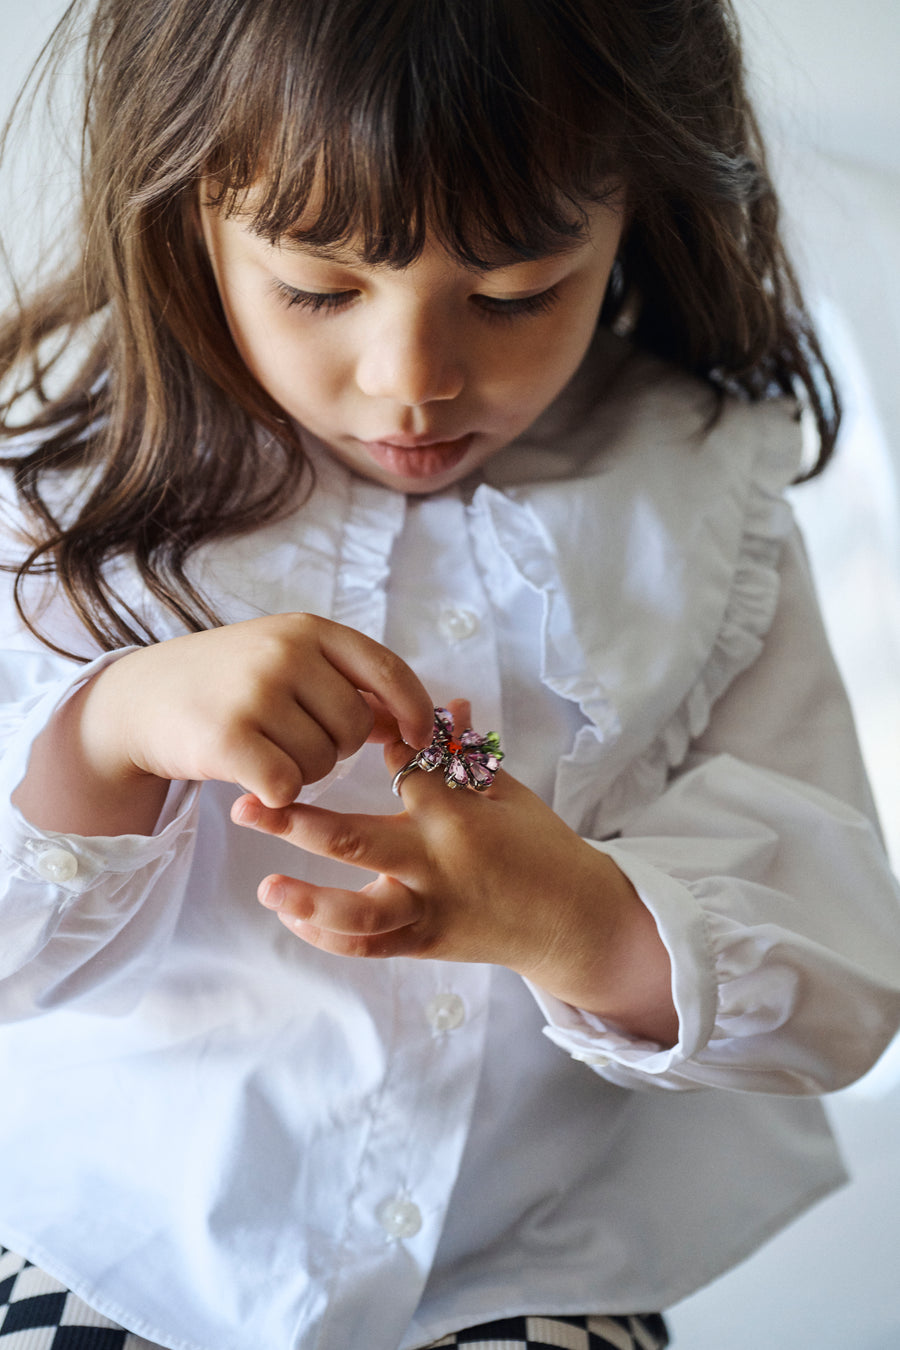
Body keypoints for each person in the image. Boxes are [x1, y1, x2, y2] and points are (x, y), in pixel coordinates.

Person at [0, 1, 898, 1347]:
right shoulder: (62, 472)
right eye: (318, 287)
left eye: (514, 295)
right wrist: (109, 733)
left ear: (632, 214)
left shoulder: (703, 495)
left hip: (525, 1270)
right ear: (185, 210)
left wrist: (580, 920)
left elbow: (839, 969)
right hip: (127, 1236)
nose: (413, 378)